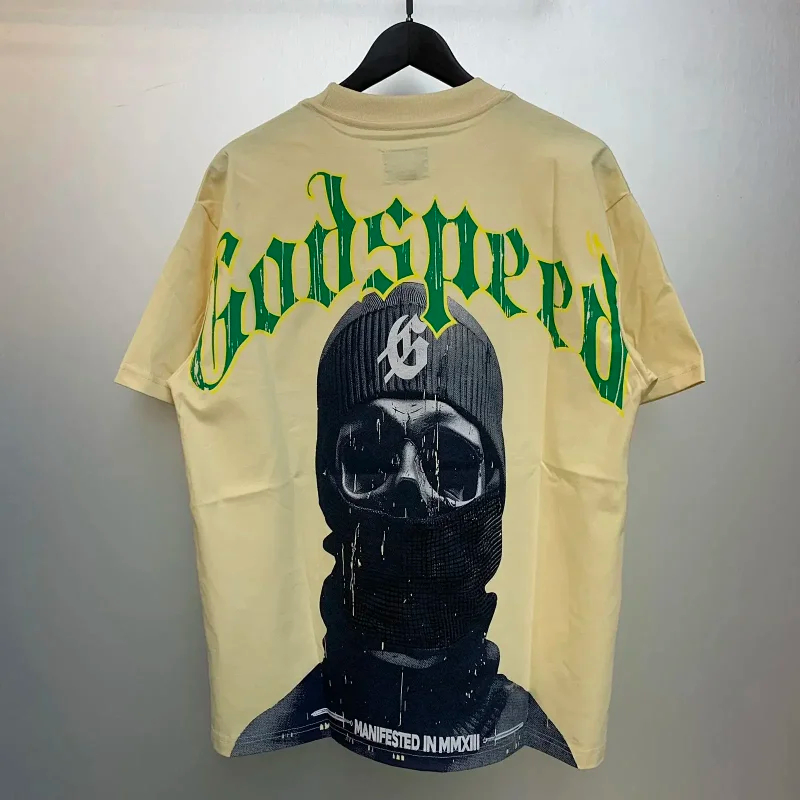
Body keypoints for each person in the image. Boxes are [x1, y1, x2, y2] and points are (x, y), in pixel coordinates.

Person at [232, 282, 576, 770]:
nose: (410, 486)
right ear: (328, 482)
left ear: (493, 489)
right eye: (371, 456)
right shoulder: (269, 744)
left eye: (449, 461)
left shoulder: (539, 750)